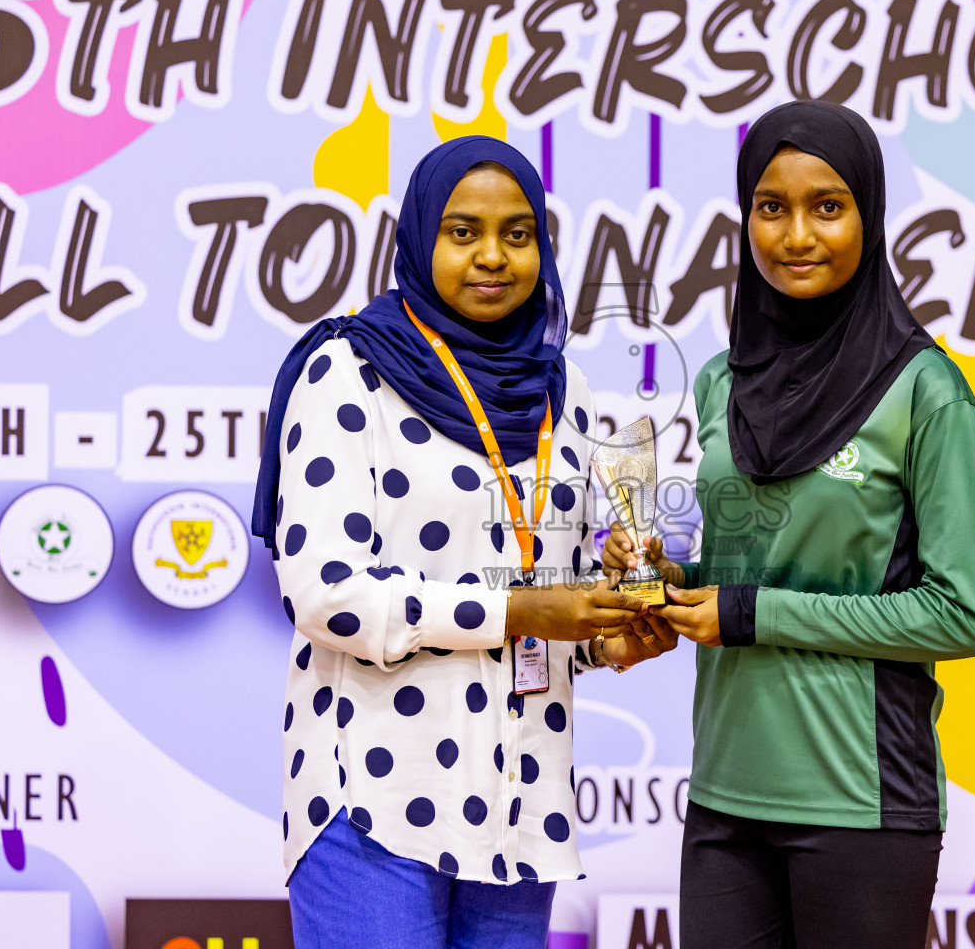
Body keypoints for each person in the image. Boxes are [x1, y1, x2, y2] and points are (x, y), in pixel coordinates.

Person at [253, 135, 678, 949]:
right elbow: (326, 593)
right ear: (418, 239)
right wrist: (523, 608)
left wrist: (611, 630)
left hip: (523, 809)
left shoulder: (566, 389)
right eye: (463, 232)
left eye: (518, 234)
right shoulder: (347, 372)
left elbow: (549, 600)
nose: (493, 256)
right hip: (375, 800)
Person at [604, 100, 975, 949]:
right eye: (769, 207)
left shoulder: (926, 390)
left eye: (828, 206)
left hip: (860, 803)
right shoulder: (719, 380)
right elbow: (740, 563)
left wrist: (752, 615)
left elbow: (960, 613)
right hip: (723, 797)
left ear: (869, 214)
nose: (795, 235)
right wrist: (657, 586)